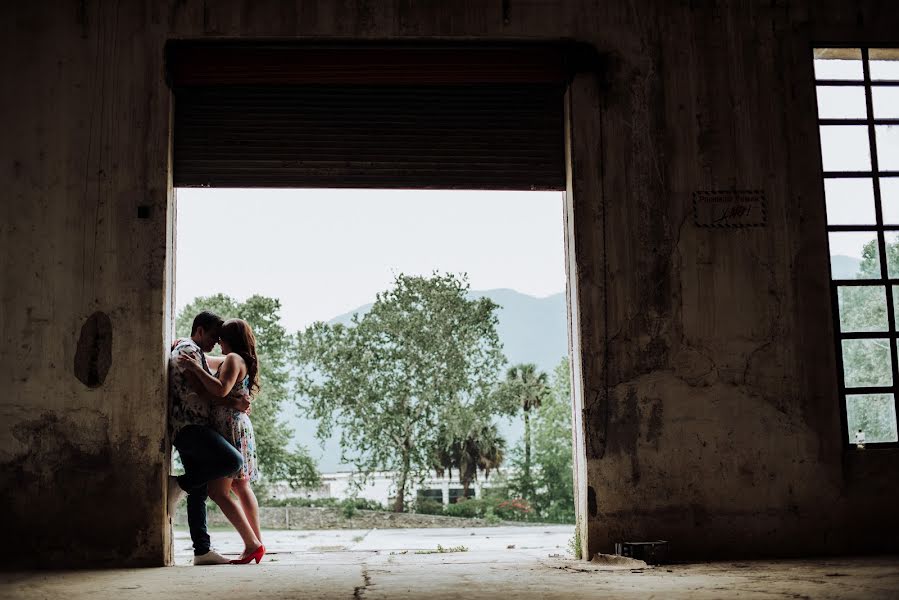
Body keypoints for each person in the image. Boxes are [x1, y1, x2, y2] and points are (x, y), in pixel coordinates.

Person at [179, 318, 265, 565]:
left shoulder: (233, 359)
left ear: (229, 339)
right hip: (235, 424)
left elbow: (220, 390)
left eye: (220, 338)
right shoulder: (238, 359)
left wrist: (195, 369)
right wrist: (188, 353)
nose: (217, 343)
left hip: (229, 426)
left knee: (219, 491)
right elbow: (210, 363)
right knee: (241, 485)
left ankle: (253, 545)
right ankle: (256, 544)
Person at [168, 311, 249, 566]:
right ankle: (179, 484)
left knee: (199, 491)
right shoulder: (188, 350)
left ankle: (201, 550)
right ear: (200, 331)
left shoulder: (195, 350)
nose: (216, 342)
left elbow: (208, 382)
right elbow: (204, 392)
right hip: (189, 426)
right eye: (213, 336)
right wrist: (234, 401)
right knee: (232, 461)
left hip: (193, 425)